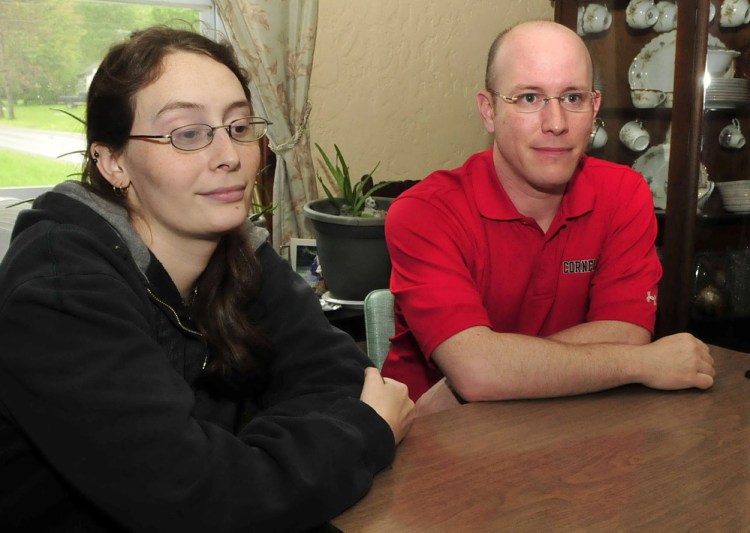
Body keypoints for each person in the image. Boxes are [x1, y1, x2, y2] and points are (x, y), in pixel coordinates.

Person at [0, 27, 414, 531]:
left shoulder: (241, 254)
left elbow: (342, 380)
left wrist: (247, 466)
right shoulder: (58, 292)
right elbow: (197, 500)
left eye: (239, 127)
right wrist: (361, 432)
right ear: (112, 161)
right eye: (187, 133)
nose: (230, 156)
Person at [381, 20, 715, 409]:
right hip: (433, 443)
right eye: (528, 98)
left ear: (594, 108)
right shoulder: (425, 213)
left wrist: (498, 365)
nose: (556, 124)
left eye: (572, 98)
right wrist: (641, 364)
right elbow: (478, 374)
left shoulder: (624, 194)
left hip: (566, 430)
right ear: (488, 111)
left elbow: (626, 335)